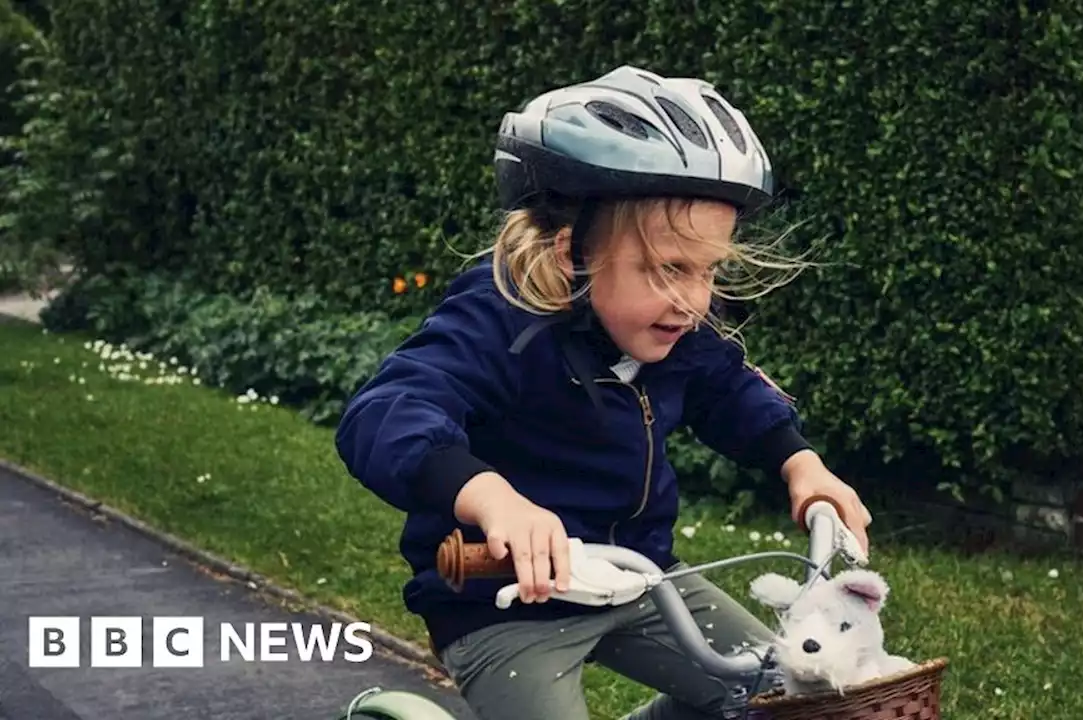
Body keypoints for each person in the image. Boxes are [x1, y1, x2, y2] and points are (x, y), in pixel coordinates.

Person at [335, 65, 872, 720]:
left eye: (708, 271)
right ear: (571, 252)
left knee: (792, 697)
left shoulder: (670, 327)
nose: (694, 301)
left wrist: (800, 463)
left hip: (640, 578)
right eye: (669, 268)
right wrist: (493, 499)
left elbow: (726, 386)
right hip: (504, 601)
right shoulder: (500, 318)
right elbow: (389, 410)